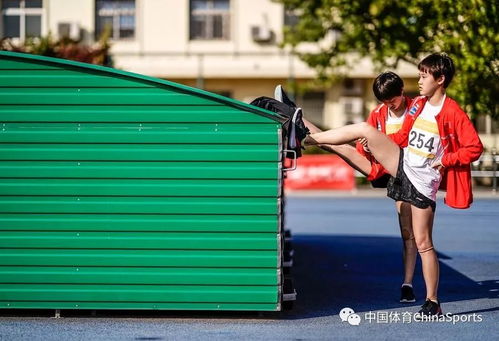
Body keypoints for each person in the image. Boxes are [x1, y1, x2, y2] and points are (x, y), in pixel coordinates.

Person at [302, 53, 483, 316]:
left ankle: (433, 302)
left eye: (424, 76)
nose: (419, 81)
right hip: (402, 165)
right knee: (361, 134)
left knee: (423, 244)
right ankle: (305, 135)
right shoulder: (418, 105)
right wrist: (377, 143)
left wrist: (446, 160)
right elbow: (401, 135)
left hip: (422, 183)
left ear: (440, 79)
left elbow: (474, 147)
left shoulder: (451, 111)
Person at [289, 72, 419, 303]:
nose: (389, 105)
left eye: (393, 100)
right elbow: (362, 150)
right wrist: (369, 147)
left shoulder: (417, 109)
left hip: (409, 172)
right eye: (384, 101)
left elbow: (407, 138)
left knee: (409, 233)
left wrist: (376, 140)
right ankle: (299, 123)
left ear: (402, 92)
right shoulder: (379, 113)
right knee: (339, 147)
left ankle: (407, 283)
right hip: (382, 170)